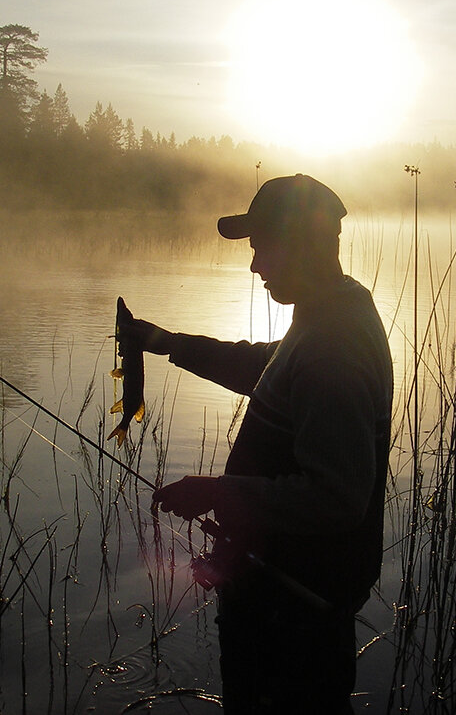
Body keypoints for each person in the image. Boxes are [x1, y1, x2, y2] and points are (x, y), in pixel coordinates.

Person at [121, 173, 393, 714]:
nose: (254, 265)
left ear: (302, 244)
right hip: (284, 597)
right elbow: (265, 367)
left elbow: (336, 498)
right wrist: (168, 344)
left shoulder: (332, 347)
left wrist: (220, 493)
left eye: (262, 246)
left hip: (294, 611)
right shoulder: (327, 316)